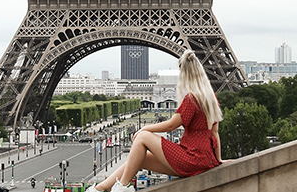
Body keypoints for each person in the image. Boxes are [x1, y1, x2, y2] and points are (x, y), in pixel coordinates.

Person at [86, 49, 225, 192]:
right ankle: (100, 189)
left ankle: (122, 187)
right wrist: (217, 160)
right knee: (140, 158)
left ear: (184, 74)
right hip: (203, 160)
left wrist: (145, 129)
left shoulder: (191, 98)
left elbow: (171, 125)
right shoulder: (211, 98)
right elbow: (215, 133)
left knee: (143, 137)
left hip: (190, 158)